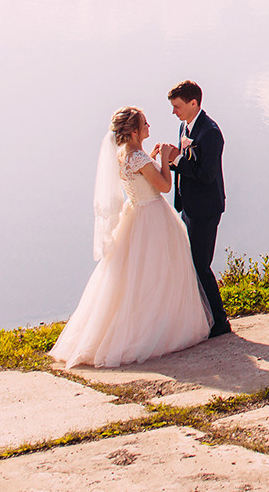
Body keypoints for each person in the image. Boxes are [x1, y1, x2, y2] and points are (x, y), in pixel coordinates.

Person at [51, 105, 211, 368]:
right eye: (145, 123)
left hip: (135, 215)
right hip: (152, 217)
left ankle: (134, 326)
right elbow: (163, 186)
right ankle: (158, 330)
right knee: (159, 274)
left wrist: (151, 158)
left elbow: (139, 176)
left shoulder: (124, 155)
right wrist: (165, 159)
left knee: (133, 277)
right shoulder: (138, 158)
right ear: (135, 130)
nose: (149, 126)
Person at [167, 79, 232, 337]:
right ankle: (202, 315)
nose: (174, 112)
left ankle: (220, 321)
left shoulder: (210, 133)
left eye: (178, 106)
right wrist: (171, 162)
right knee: (190, 264)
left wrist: (178, 160)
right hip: (189, 206)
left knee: (201, 264)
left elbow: (206, 175)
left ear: (194, 103)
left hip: (205, 209)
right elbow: (184, 167)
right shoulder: (185, 126)